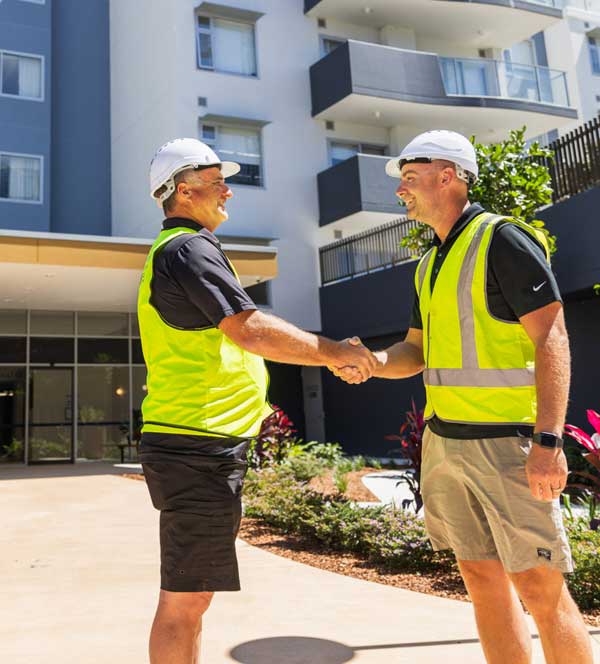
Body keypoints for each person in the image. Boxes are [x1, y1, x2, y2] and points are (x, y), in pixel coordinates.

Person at [332, 130, 593, 664]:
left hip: (509, 448)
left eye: (409, 178)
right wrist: (376, 363)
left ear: (446, 176)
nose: (401, 191)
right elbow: (415, 351)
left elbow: (553, 337)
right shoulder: (429, 264)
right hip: (446, 445)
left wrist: (548, 440)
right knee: (480, 579)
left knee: (541, 589)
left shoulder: (503, 240)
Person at [139, 138, 377, 664]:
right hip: (194, 445)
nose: (228, 190)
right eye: (216, 180)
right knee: (185, 599)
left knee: (192, 596)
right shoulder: (188, 249)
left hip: (196, 442)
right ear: (183, 188)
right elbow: (252, 331)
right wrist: (336, 352)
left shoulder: (181, 250)